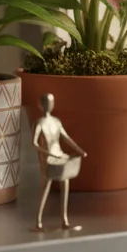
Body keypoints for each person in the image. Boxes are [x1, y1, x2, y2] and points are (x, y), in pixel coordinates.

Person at [32, 93, 87, 231]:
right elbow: (34, 143)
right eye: (46, 102)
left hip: (60, 155)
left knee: (65, 183)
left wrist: (80, 151)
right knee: (45, 189)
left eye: (51, 102)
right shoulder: (39, 122)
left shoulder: (56, 121)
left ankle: (64, 220)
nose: (48, 105)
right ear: (41, 104)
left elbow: (66, 138)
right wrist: (47, 154)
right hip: (49, 159)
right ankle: (38, 222)